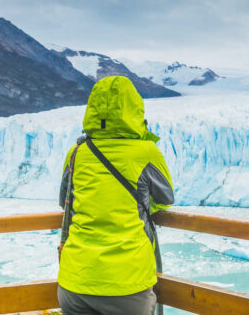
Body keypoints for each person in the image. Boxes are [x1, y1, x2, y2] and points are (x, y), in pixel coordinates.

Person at [57, 76, 174, 315]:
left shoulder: (77, 152)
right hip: (126, 282)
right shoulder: (145, 152)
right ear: (135, 110)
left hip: (75, 279)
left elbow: (66, 201)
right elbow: (164, 199)